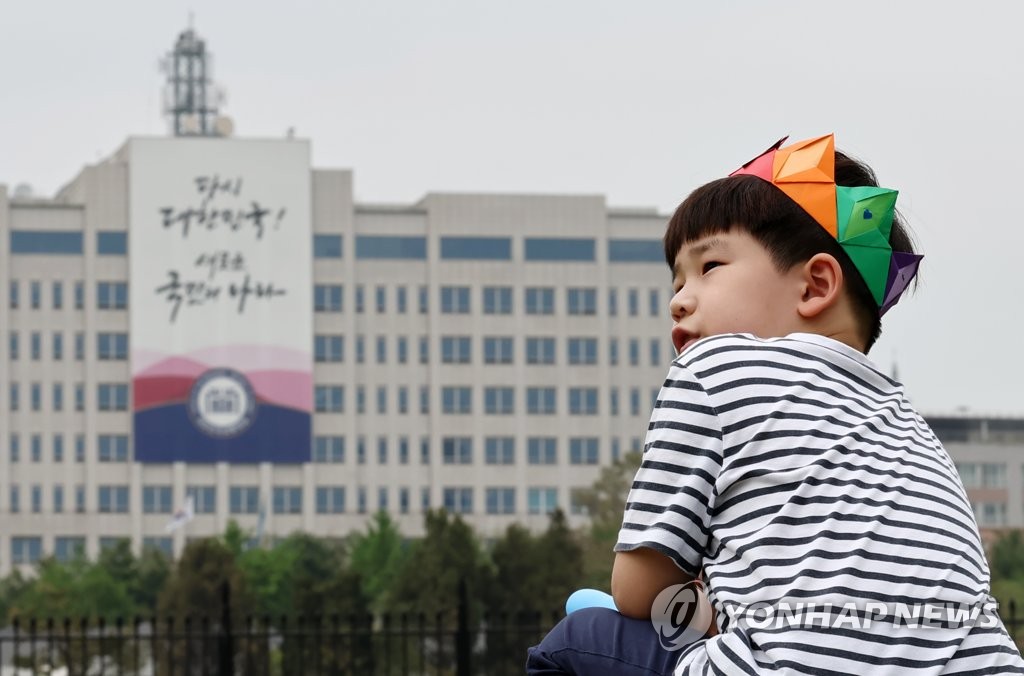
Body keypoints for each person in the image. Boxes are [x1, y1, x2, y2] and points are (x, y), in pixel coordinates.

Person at [527, 134, 1024, 674]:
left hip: (774, 666)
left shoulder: (715, 368)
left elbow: (636, 587)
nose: (678, 299)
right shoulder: (912, 428)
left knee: (578, 636)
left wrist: (707, 609)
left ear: (814, 285)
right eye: (676, 281)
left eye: (708, 266)